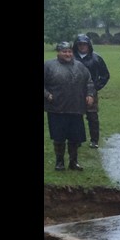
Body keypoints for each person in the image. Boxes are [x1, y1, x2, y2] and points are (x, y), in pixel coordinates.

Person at [44, 41, 94, 171]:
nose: (67, 54)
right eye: (64, 51)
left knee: (75, 138)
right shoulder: (48, 66)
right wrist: (47, 95)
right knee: (59, 137)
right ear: (58, 53)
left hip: (76, 108)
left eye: (69, 51)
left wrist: (90, 94)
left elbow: (89, 81)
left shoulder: (80, 66)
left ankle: (74, 162)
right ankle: (59, 162)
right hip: (56, 108)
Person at [73, 34, 110, 149]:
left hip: (91, 91)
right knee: (75, 116)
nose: (82, 46)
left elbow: (105, 75)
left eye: (84, 44)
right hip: (74, 92)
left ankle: (94, 140)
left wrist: (96, 87)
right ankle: (77, 139)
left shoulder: (96, 58)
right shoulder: (72, 57)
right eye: (80, 44)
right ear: (76, 45)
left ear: (88, 45)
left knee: (92, 116)